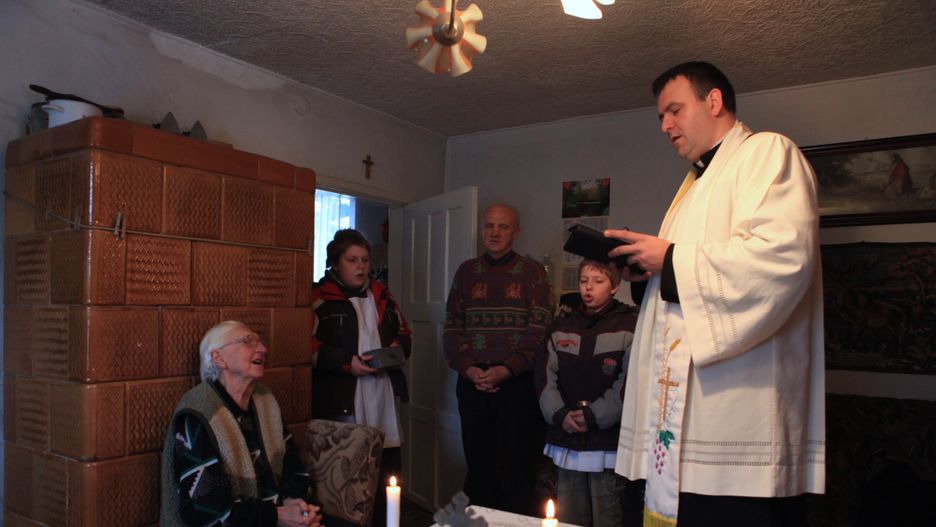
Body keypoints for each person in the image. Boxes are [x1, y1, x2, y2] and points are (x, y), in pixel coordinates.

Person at [608, 62, 825, 526]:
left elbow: (782, 259)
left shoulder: (767, 152)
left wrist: (669, 259)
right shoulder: (695, 187)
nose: (665, 126)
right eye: (661, 117)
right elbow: (682, 288)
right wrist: (646, 273)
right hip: (679, 424)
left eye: (674, 110)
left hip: (734, 423)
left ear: (713, 101)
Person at [443, 203, 553, 516]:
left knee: (517, 473)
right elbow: (452, 326)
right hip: (472, 384)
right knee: (479, 472)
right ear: (482, 230)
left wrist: (507, 369)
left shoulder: (533, 273)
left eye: (503, 227)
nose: (494, 232)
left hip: (517, 386)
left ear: (516, 232)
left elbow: (540, 329)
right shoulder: (466, 272)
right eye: (489, 225)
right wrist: (469, 368)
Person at [161, 321, 323, 527]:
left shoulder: (265, 400)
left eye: (260, 342)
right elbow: (206, 511)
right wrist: (278, 516)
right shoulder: (199, 413)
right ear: (219, 358)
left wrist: (294, 502)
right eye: (248, 341)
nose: (263, 349)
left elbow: (292, 466)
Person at [310, 228, 411, 526]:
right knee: (348, 478)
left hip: (382, 393)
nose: (361, 266)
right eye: (352, 260)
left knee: (386, 470)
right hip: (342, 399)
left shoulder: (383, 295)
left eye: (365, 260)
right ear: (335, 263)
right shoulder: (319, 299)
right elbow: (306, 347)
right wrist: (346, 363)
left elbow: (405, 334)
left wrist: (394, 350)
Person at [535, 259, 638, 527]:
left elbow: (629, 383)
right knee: (570, 517)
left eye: (598, 281)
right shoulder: (561, 326)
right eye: (583, 281)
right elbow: (545, 377)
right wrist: (560, 414)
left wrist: (593, 415)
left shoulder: (630, 326)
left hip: (606, 442)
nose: (588, 288)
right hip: (567, 438)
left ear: (614, 286)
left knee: (607, 516)